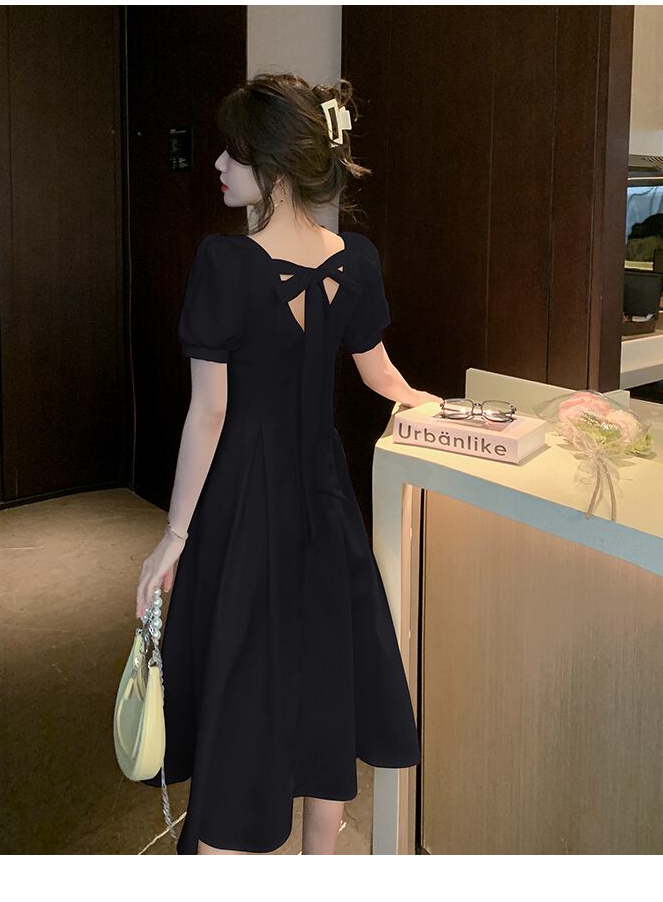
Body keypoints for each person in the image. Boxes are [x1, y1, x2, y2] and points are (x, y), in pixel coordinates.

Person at [134, 73, 442, 855]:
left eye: (232, 154)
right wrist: (442, 409)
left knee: (245, 683)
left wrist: (174, 536)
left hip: (244, 503)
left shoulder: (225, 264)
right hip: (324, 500)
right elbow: (382, 376)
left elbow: (209, 413)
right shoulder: (354, 260)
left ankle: (222, 846)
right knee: (323, 677)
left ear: (270, 168)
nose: (218, 166)